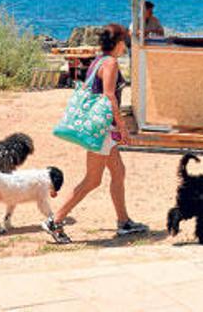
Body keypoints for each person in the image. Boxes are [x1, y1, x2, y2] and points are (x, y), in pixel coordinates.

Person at [44, 23, 149, 243]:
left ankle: (124, 222)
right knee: (92, 180)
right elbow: (109, 96)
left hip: (104, 131)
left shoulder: (98, 60)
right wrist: (122, 126)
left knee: (118, 172)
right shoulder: (110, 62)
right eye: (125, 43)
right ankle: (55, 220)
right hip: (102, 130)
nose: (126, 47)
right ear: (119, 43)